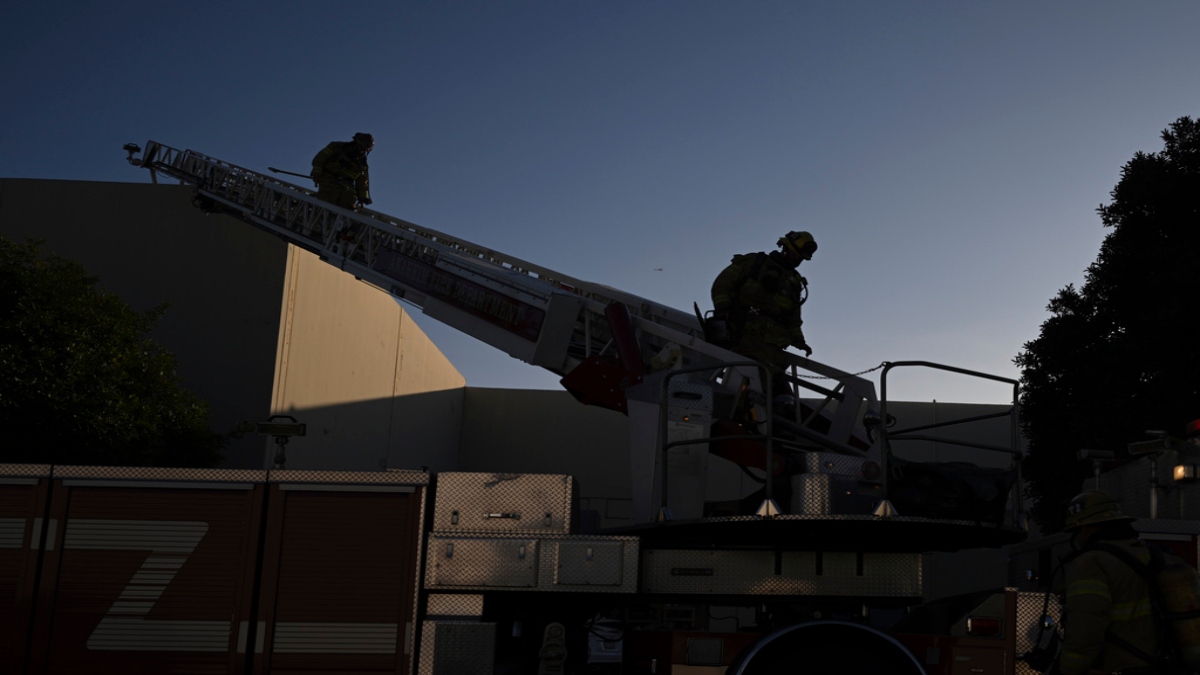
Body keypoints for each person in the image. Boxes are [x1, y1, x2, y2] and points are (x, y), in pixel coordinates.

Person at [1057, 489, 1186, 675]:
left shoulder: (1089, 564)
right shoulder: (1161, 557)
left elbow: (1085, 631)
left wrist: (1069, 669)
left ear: (1085, 529)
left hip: (1118, 668)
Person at [710, 231, 816, 399]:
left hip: (774, 348)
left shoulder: (795, 282)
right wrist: (722, 311)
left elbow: (794, 318)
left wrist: (799, 341)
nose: (798, 260)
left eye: (801, 258)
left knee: (779, 395)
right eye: (796, 255)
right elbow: (722, 285)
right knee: (749, 388)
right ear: (785, 249)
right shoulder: (754, 263)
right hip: (744, 337)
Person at [311, 132, 374, 209]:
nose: (361, 150)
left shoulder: (362, 164)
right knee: (326, 203)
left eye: (364, 149)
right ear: (356, 143)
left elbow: (363, 182)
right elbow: (320, 158)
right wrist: (317, 172)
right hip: (329, 180)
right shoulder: (337, 147)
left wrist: (363, 198)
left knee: (348, 206)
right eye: (360, 147)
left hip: (347, 187)